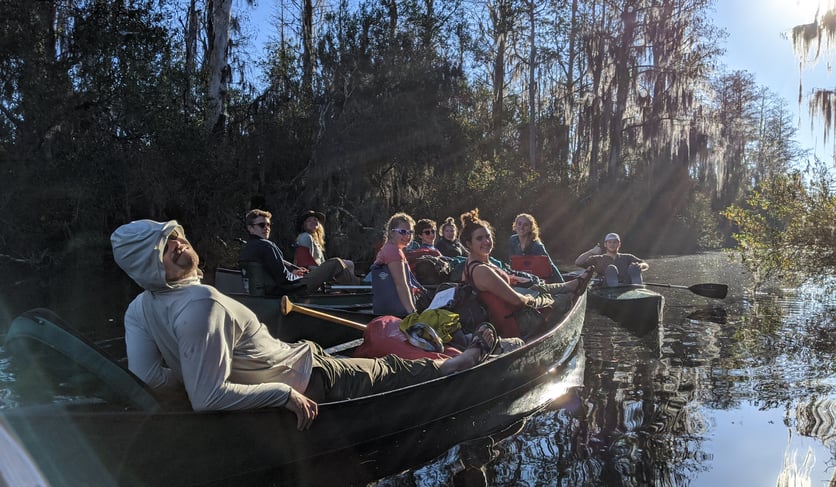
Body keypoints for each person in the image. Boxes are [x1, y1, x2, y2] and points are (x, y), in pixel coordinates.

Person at [110, 219, 496, 430]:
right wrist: (281, 395)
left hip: (299, 362)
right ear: (145, 266)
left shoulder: (139, 309)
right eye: (163, 248)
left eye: (174, 236)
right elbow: (206, 399)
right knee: (391, 369)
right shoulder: (201, 303)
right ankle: (457, 363)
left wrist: (191, 370)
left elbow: (149, 377)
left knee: (369, 358)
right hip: (309, 376)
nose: (178, 245)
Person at [459, 209, 591, 339]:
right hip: (512, 324)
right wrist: (531, 299)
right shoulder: (482, 270)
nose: (486, 241)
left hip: (509, 312)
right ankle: (570, 290)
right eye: (479, 238)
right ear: (469, 244)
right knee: (566, 298)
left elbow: (492, 286)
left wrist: (512, 279)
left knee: (535, 287)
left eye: (488, 236)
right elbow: (517, 301)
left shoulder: (474, 264)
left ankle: (571, 284)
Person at [239, 209, 360, 295]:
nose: (267, 228)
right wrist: (296, 275)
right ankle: (362, 291)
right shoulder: (267, 246)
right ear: (250, 228)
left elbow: (277, 266)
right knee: (336, 263)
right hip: (294, 288)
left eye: (268, 224)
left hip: (276, 289)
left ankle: (353, 289)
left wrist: (293, 270)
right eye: (261, 225)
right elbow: (284, 279)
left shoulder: (248, 247)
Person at [370, 212, 426, 316]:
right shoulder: (393, 251)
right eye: (402, 232)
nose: (407, 236)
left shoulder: (391, 248)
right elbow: (401, 285)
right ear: (391, 233)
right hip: (396, 312)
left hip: (384, 309)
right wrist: (412, 313)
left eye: (410, 232)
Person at [294, 209, 357, 277]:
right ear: (304, 225)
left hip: (320, 269)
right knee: (345, 263)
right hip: (314, 272)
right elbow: (307, 262)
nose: (313, 222)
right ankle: (351, 285)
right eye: (309, 221)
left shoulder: (315, 240)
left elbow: (322, 262)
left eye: (315, 219)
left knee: (347, 264)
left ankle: (348, 284)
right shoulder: (305, 236)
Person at [574, 232, 649, 286]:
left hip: (627, 285)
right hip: (605, 288)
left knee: (634, 267)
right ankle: (612, 285)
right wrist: (591, 252)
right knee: (611, 269)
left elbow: (645, 264)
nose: (612, 244)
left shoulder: (627, 257)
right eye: (609, 242)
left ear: (619, 244)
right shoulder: (597, 259)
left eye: (614, 242)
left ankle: (637, 287)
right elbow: (578, 262)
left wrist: (640, 266)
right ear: (605, 244)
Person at [508, 213, 564, 282]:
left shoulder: (537, 246)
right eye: (519, 224)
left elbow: (550, 266)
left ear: (530, 228)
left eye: (525, 225)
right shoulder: (513, 240)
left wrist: (562, 284)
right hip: (521, 277)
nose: (521, 227)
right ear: (515, 226)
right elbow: (512, 263)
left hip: (538, 278)